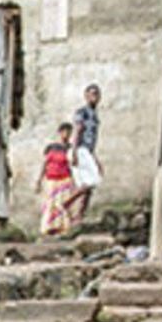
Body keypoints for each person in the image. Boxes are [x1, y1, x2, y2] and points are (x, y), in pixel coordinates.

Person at [67, 84, 102, 223]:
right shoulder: (82, 112)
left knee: (88, 188)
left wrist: (95, 159)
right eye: (92, 94)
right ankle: (66, 203)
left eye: (97, 94)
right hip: (80, 149)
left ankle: (79, 216)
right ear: (86, 96)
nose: (95, 97)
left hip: (87, 151)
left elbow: (92, 139)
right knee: (90, 182)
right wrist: (74, 152)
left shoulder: (94, 115)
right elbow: (77, 132)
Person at [37, 123, 78, 238]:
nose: (66, 134)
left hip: (65, 180)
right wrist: (39, 180)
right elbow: (45, 164)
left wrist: (74, 182)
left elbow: (73, 165)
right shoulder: (52, 148)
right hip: (51, 180)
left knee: (63, 204)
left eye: (69, 132)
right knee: (50, 204)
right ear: (60, 133)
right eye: (64, 132)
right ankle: (48, 228)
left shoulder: (70, 149)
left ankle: (63, 229)